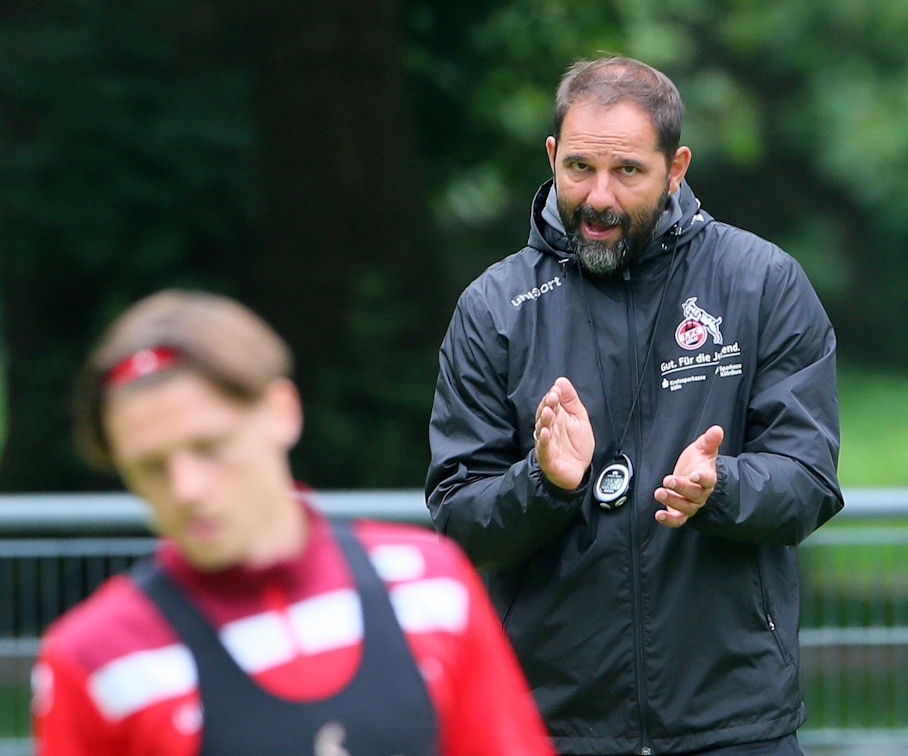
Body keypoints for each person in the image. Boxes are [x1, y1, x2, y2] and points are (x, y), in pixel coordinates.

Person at [425, 55, 843, 756]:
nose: (598, 197)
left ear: (675, 168)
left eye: (627, 173)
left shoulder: (760, 282)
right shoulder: (492, 308)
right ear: (552, 156)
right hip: (551, 724)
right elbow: (459, 525)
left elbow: (808, 483)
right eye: (579, 168)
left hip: (732, 723)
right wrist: (543, 484)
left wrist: (722, 488)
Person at [31, 289, 556, 756]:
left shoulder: (426, 584)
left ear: (282, 411)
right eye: (150, 467)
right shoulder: (95, 660)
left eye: (210, 447)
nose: (185, 488)